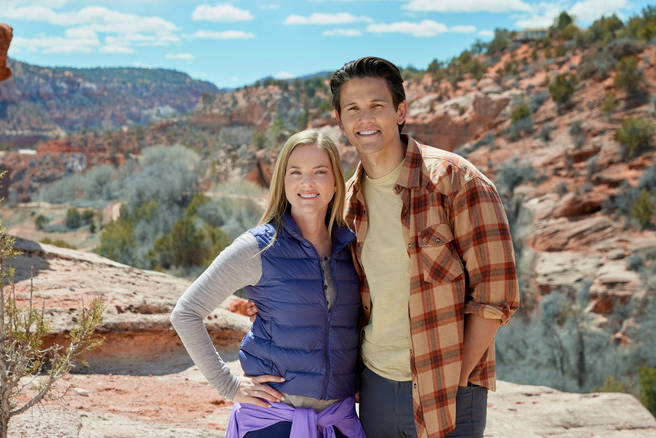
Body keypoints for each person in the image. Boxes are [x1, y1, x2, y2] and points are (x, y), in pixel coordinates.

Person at [330, 56, 520, 437]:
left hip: (451, 386)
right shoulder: (347, 200)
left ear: (400, 111)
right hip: (375, 386)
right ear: (340, 121)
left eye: (377, 106)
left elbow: (496, 294)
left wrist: (457, 376)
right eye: (353, 109)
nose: (365, 119)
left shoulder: (457, 181)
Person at [170, 130, 366, 438]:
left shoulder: (352, 245)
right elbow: (185, 312)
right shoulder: (258, 247)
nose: (307, 183)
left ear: (336, 181)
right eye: (296, 172)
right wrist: (228, 385)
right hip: (273, 422)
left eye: (320, 172)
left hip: (337, 421)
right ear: (282, 181)